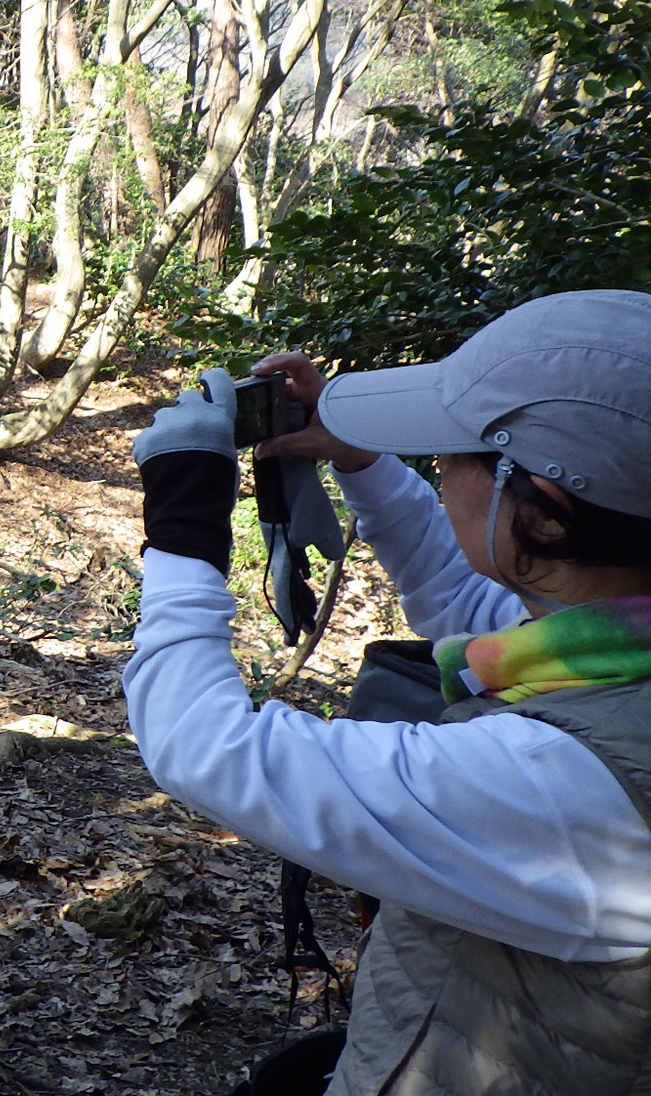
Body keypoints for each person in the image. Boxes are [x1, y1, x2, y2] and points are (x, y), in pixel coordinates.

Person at [126, 289, 651, 1096]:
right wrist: (364, 459)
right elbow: (483, 603)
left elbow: (203, 745)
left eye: (454, 452)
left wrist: (183, 536)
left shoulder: (572, 785)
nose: (439, 466)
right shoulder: (612, 642)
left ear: (546, 515)